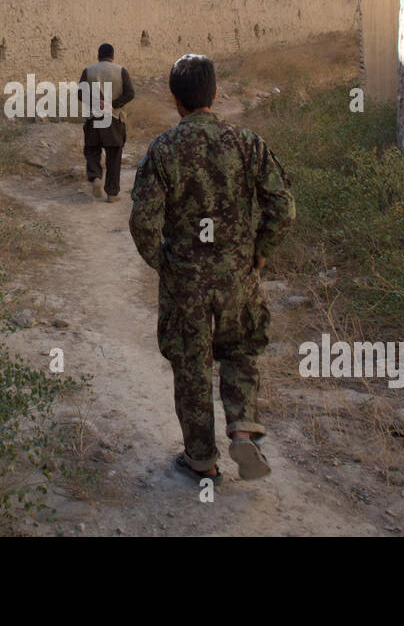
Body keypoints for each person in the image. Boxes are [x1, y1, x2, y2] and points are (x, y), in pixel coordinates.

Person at [129, 53, 295, 483]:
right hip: (238, 277)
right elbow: (283, 205)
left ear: (175, 100)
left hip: (187, 283)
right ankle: (243, 429)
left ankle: (202, 459)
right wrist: (262, 248)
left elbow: (143, 222)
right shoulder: (247, 143)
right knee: (240, 352)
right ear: (215, 94)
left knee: (192, 365)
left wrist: (164, 263)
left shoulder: (163, 150)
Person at [78, 43, 134, 202]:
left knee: (92, 150)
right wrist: (112, 104)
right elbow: (130, 93)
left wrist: (97, 104)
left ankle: (95, 177)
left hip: (93, 119)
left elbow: (80, 93)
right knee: (114, 157)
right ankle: (112, 193)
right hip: (114, 119)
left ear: (98, 55)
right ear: (113, 56)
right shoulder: (121, 71)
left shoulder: (88, 71)